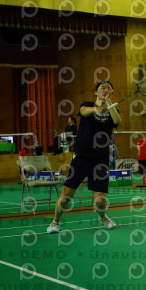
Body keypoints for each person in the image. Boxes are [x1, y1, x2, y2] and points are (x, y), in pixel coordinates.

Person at [47, 80, 121, 233]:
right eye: (102, 88)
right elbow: (84, 111)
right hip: (81, 157)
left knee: (100, 200)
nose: (105, 90)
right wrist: (97, 109)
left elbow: (117, 121)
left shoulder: (113, 110)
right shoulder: (87, 105)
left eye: (108, 88)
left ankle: (103, 217)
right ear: (96, 92)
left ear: (111, 92)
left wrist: (108, 103)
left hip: (101, 160)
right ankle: (55, 222)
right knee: (66, 195)